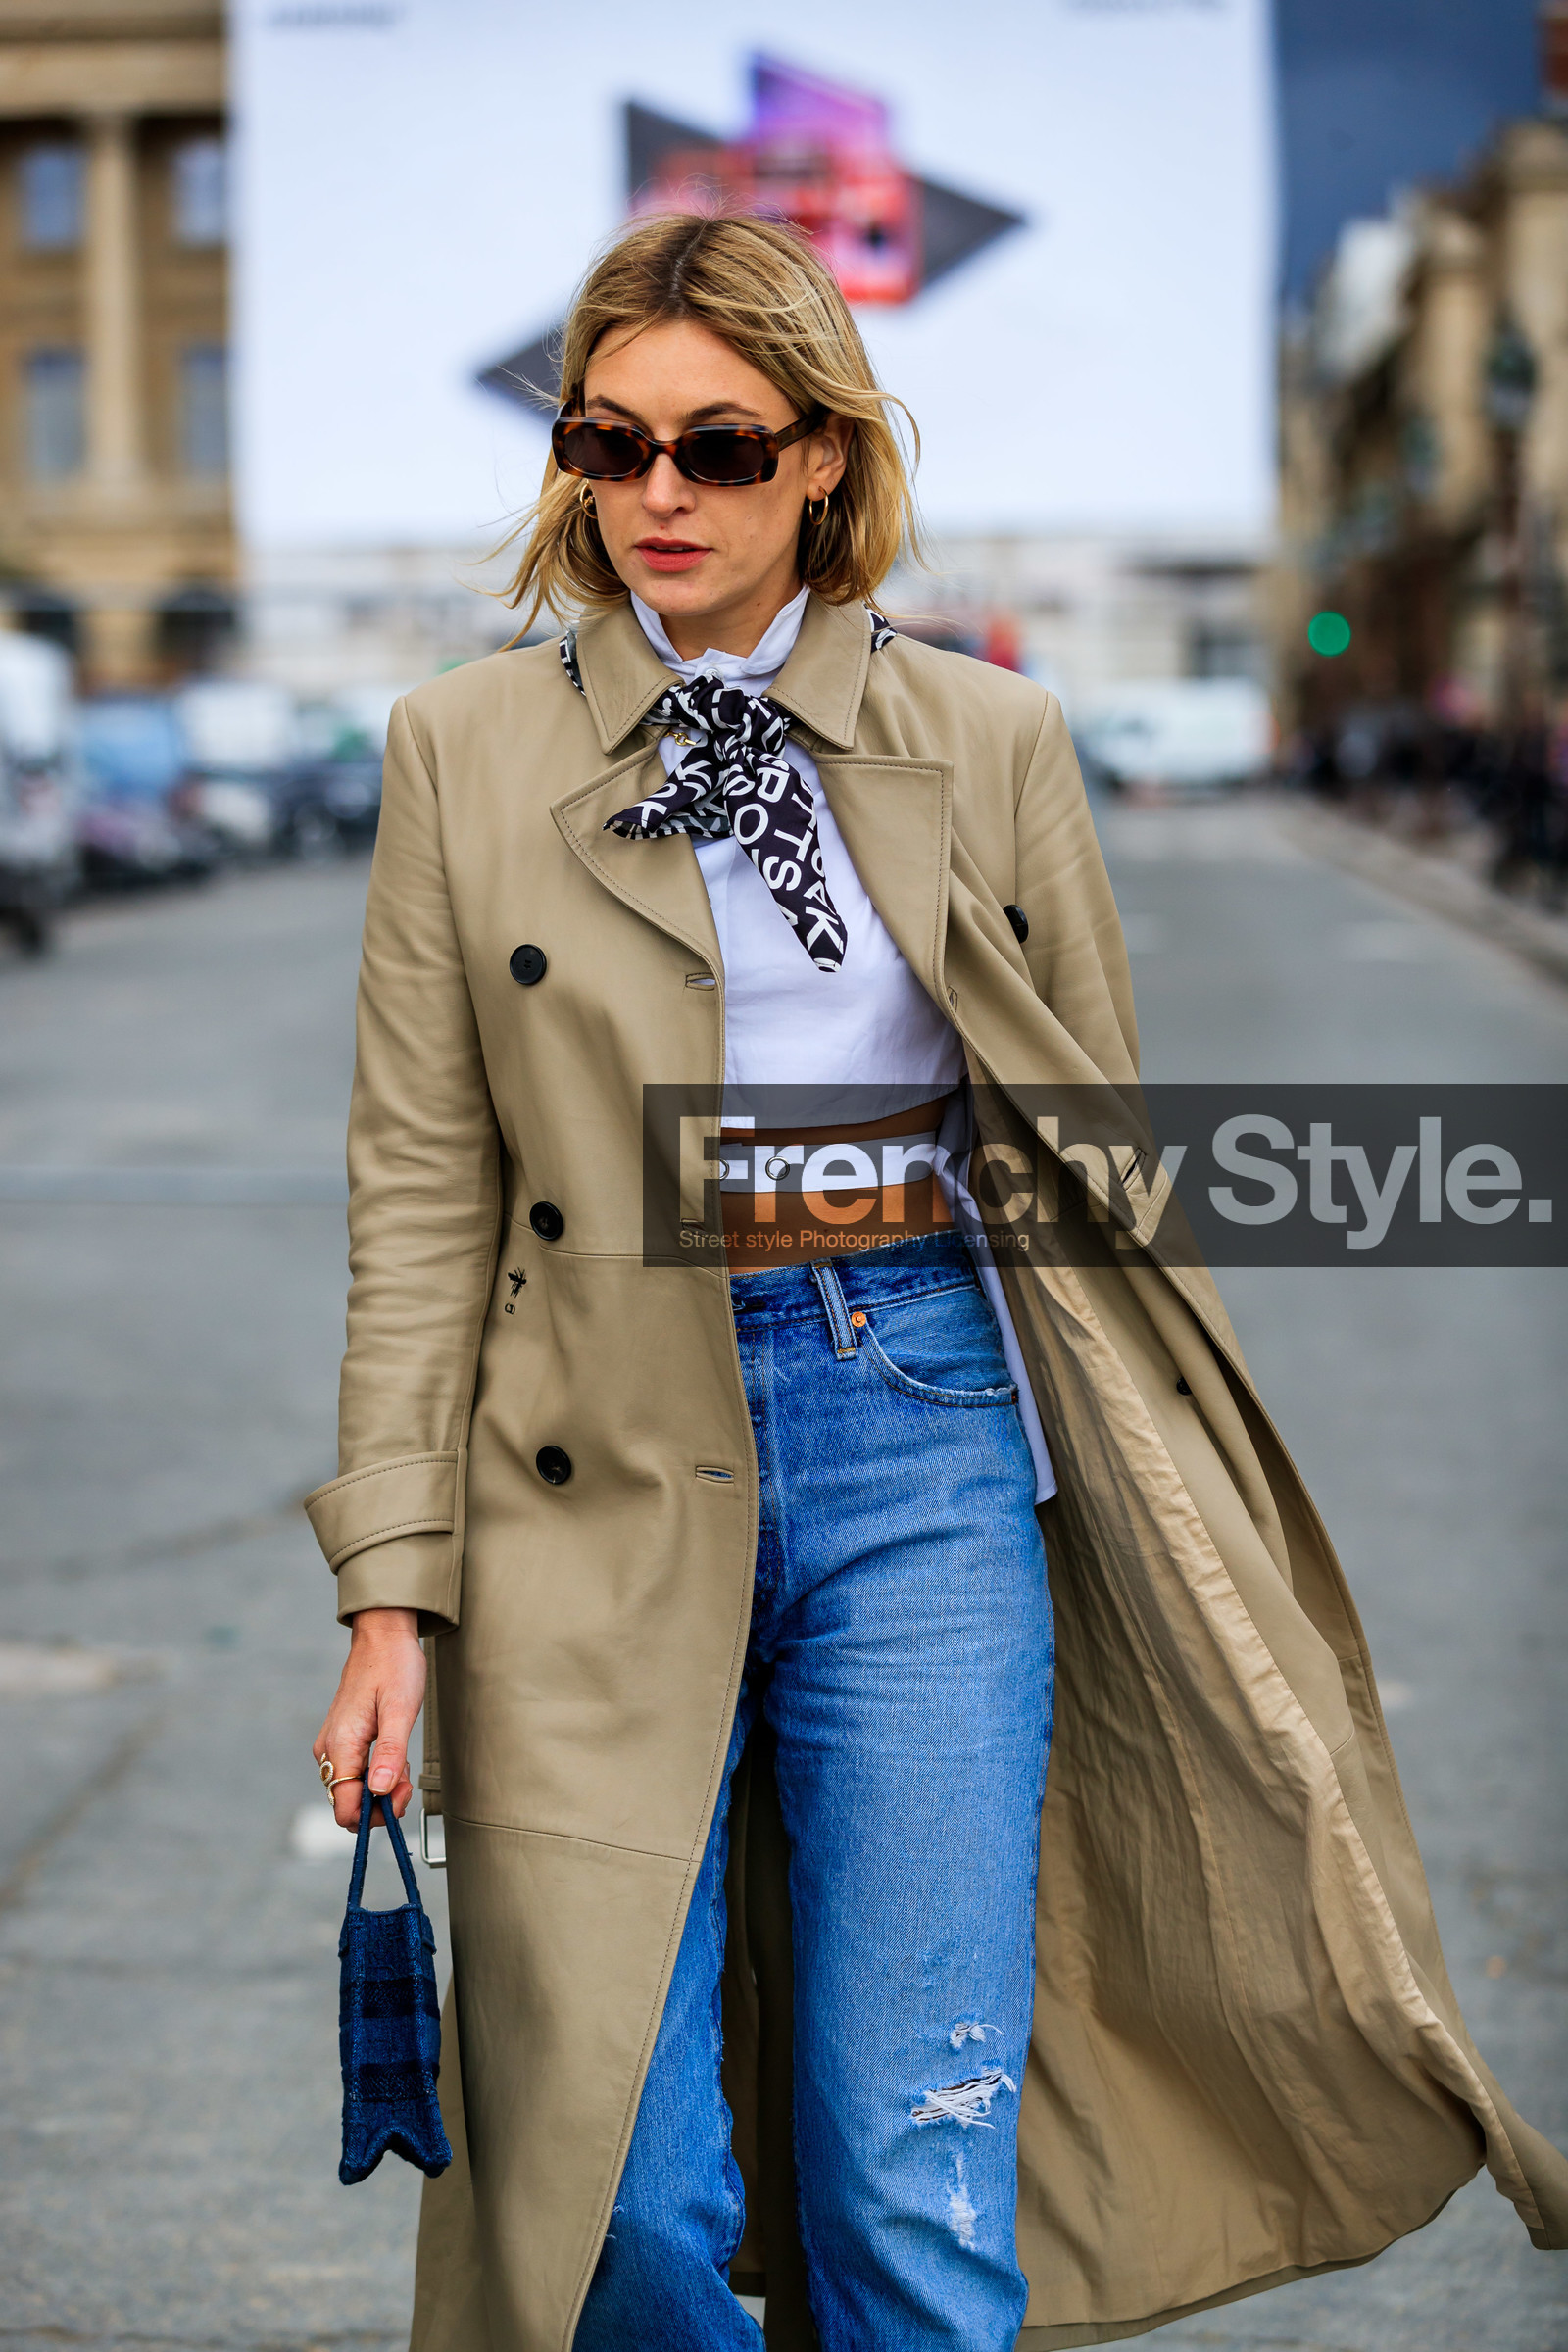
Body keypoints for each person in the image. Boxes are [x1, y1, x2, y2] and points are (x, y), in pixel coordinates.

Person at [307, 214, 1566, 2352]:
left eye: (719, 445)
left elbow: (1097, 1173)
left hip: (920, 1425)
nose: (657, 493)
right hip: (584, 1469)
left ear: (822, 455)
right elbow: (423, 1194)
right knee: (617, 2189)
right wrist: (388, 1590)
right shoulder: (464, 748)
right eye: (609, 444)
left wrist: (1172, 1502)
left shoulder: (989, 740)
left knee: (916, 2157)